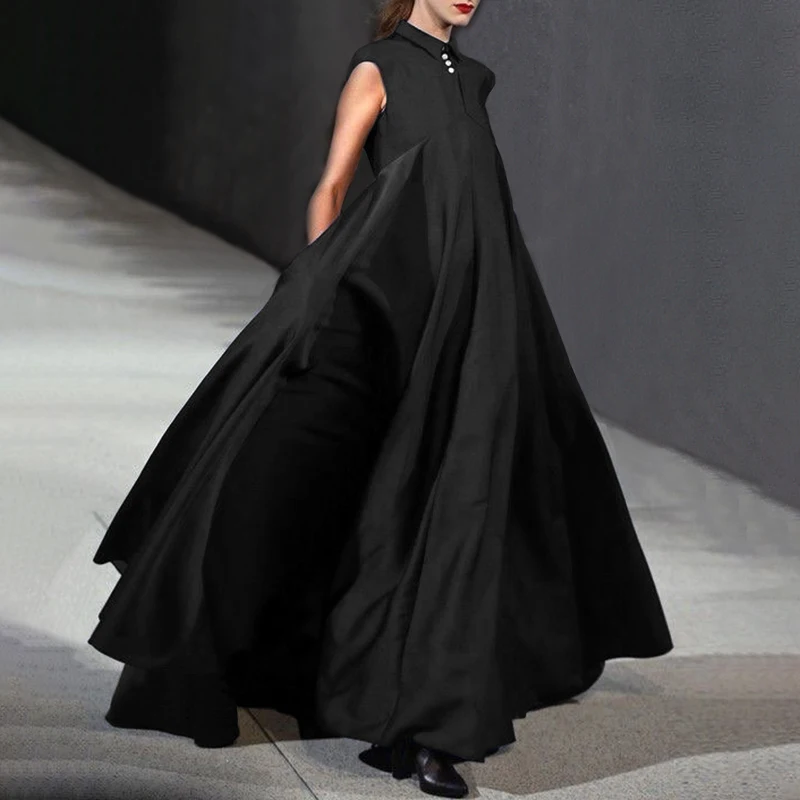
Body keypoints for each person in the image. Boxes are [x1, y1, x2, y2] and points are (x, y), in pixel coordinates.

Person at [88, 1, 674, 797]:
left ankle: (430, 726)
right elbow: (332, 187)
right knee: (294, 473)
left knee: (457, 501)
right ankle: (231, 655)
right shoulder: (379, 67)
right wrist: (315, 287)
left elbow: (472, 207)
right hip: (378, 311)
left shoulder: (473, 80)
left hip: (470, 316)